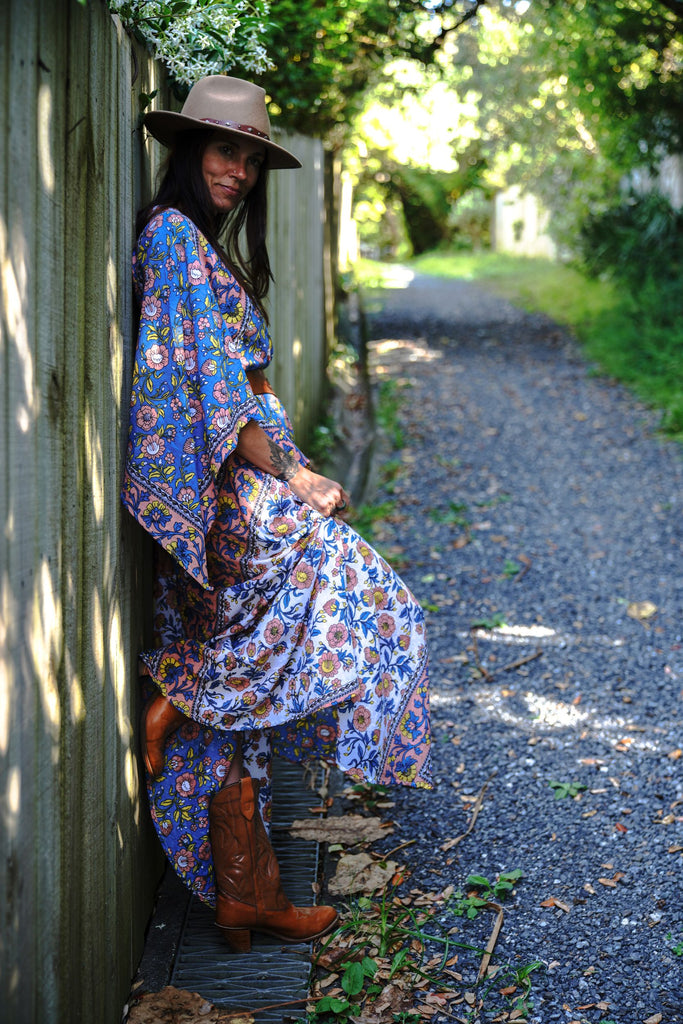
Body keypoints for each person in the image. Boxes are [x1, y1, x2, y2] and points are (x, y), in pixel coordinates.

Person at [121, 75, 432, 954]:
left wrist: (296, 465)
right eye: (226, 151)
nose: (240, 172)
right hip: (225, 501)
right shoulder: (174, 238)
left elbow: (241, 387)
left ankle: (245, 895)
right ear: (188, 151)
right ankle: (187, 690)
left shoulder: (196, 244)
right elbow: (215, 396)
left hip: (239, 490)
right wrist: (293, 479)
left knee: (244, 736)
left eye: (251, 159)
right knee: (378, 604)